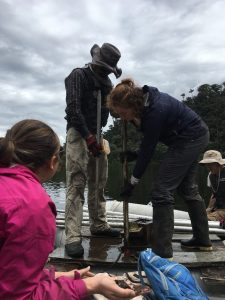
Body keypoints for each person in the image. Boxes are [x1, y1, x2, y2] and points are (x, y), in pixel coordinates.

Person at [0, 119, 137, 300]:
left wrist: (61, 276)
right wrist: (90, 285)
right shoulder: (32, 206)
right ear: (53, 161)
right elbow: (19, 297)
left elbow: (9, 271)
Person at [107, 78, 212, 259]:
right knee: (188, 190)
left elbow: (149, 150)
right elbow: (148, 141)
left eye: (123, 113)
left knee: (161, 191)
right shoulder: (145, 106)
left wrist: (132, 183)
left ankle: (162, 253)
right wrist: (135, 154)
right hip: (191, 137)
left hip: (190, 138)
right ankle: (202, 241)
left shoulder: (156, 109)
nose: (122, 117)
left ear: (133, 104)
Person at [64, 43, 122, 258]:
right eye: (106, 68)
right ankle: (72, 236)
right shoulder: (79, 76)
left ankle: (98, 224)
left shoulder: (107, 83)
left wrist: (120, 103)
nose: (108, 72)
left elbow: (112, 111)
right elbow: (73, 109)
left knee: (99, 182)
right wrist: (88, 137)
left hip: (98, 135)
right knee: (77, 183)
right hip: (79, 134)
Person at [199, 150, 225, 221]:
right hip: (218, 209)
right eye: (206, 164)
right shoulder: (210, 176)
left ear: (218, 163)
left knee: (203, 219)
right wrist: (208, 209)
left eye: (211, 164)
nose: (208, 167)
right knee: (199, 215)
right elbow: (214, 195)